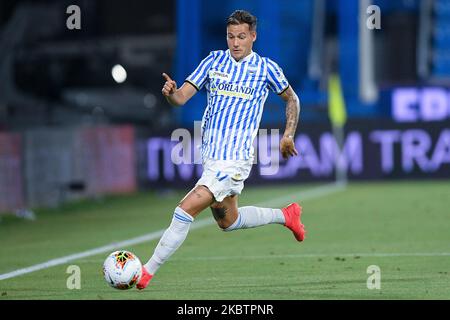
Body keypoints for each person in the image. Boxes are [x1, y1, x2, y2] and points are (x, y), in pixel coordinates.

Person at [137, 9, 305, 290]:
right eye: (231, 37)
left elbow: (293, 99)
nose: (235, 42)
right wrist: (170, 94)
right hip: (211, 159)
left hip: (235, 160)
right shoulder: (213, 61)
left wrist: (288, 134)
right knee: (228, 221)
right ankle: (286, 216)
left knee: (184, 210)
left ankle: (145, 271)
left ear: (253, 36)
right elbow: (181, 98)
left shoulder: (266, 68)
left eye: (241, 37)